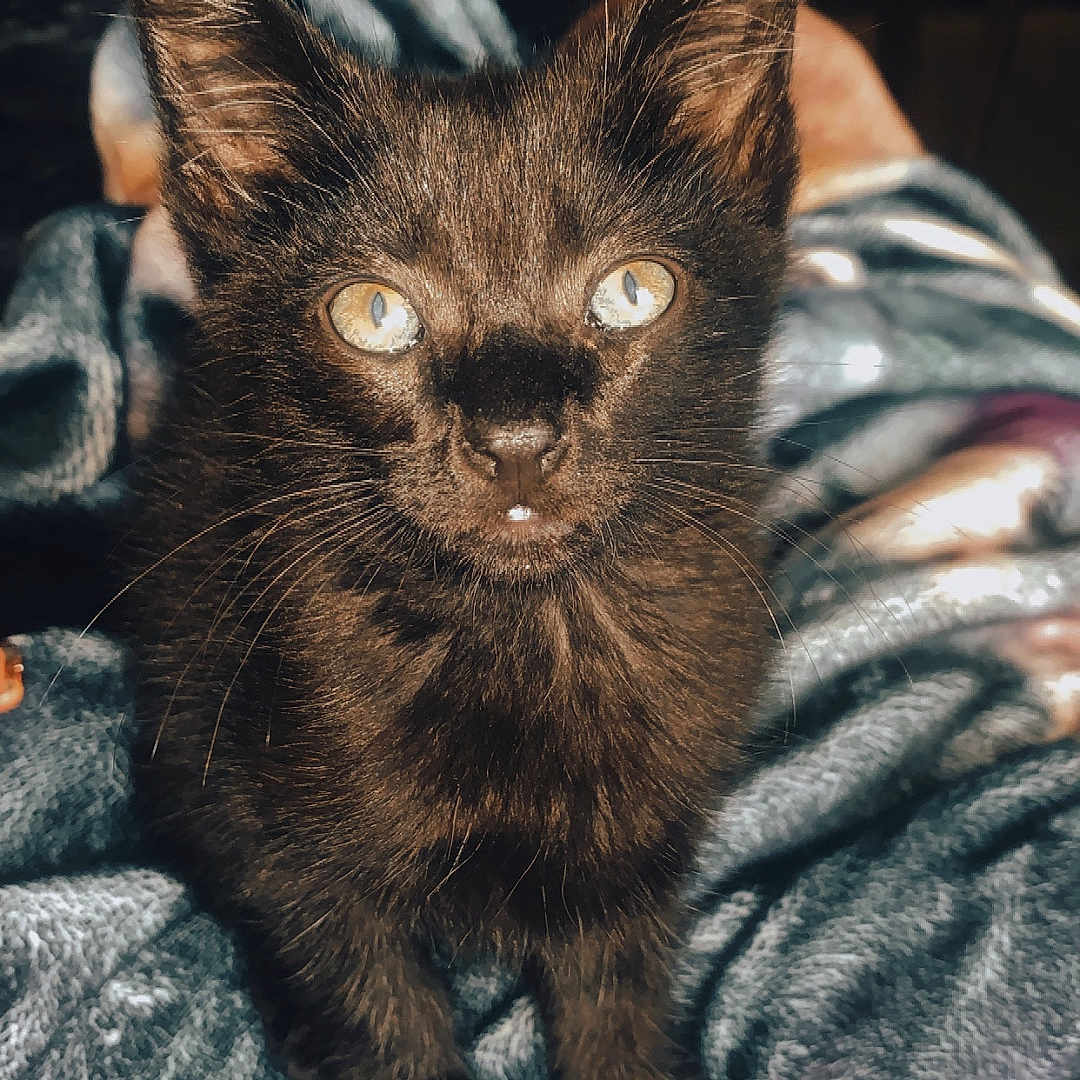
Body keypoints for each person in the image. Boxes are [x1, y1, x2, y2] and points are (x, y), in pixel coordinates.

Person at [2, 3, 1078, 1077]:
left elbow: (637, 894)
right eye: (378, 313)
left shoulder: (714, 630)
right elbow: (279, 860)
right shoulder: (311, 666)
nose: (517, 429)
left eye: (629, 293)